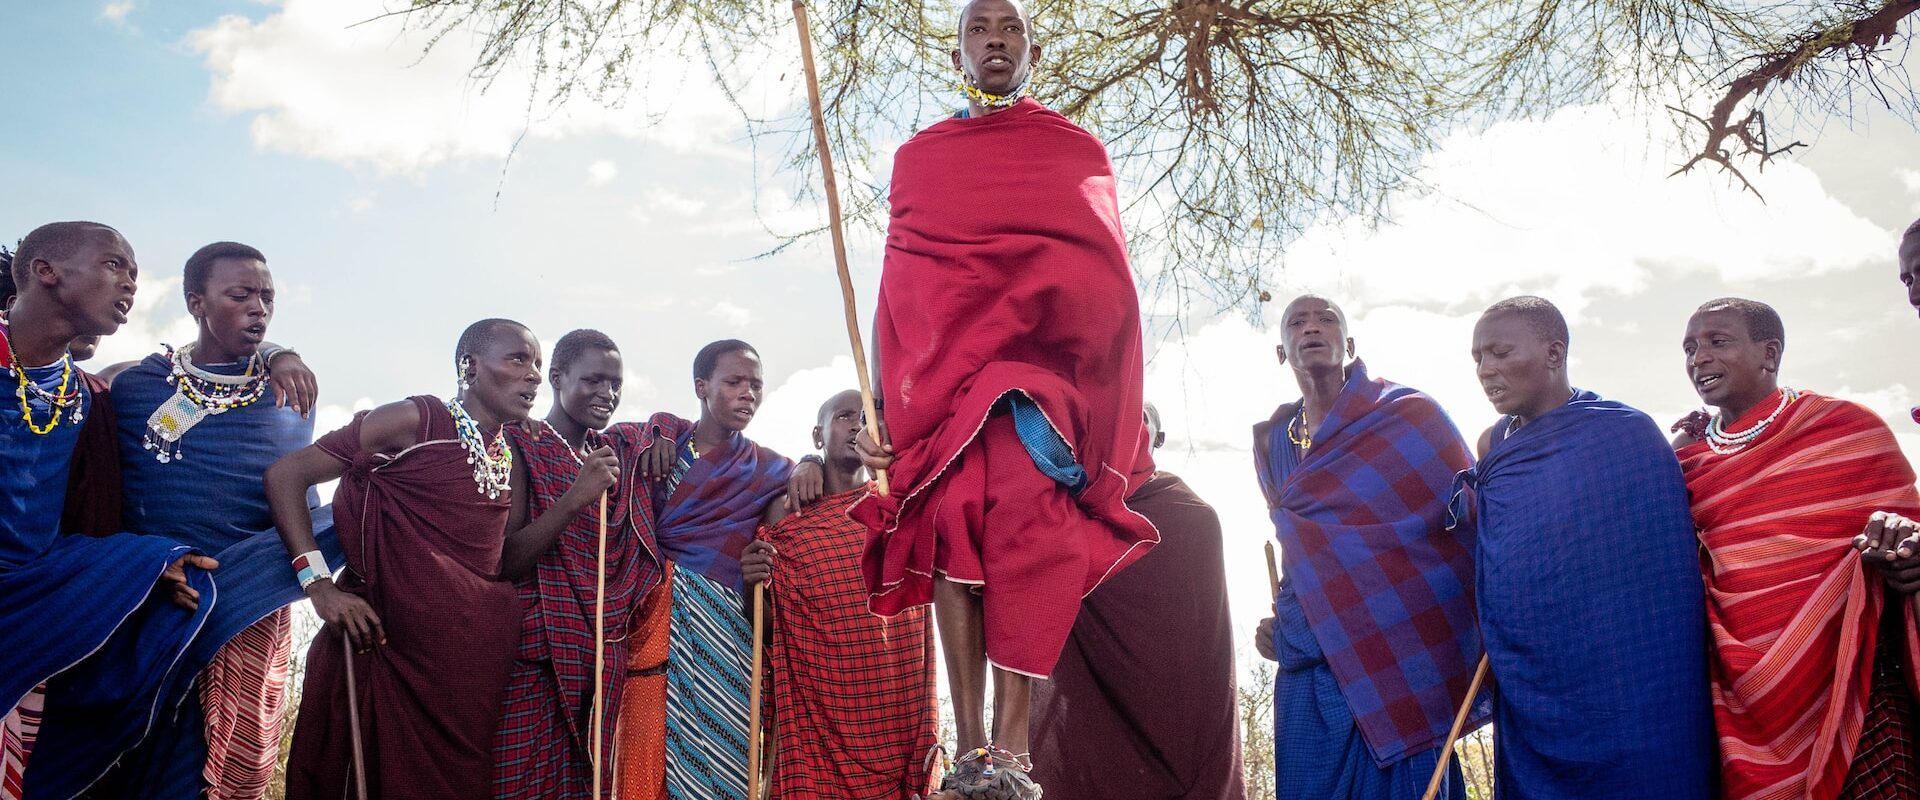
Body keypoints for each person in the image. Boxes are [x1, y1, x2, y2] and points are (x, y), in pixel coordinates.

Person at [850, 1, 1159, 794]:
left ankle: (1012, 748)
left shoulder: (1072, 150)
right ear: (958, 55)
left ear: (1033, 49)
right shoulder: (922, 158)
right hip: (950, 392)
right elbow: (905, 293)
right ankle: (965, 746)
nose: (996, 39)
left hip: (1043, 392)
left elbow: (1104, 288)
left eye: (1011, 28)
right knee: (952, 527)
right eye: (979, 29)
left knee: (1031, 531)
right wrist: (890, 406)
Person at [71, 241, 332, 800]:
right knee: (128, 768)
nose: (259, 308)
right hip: (148, 609)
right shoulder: (134, 386)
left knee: (219, 778)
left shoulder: (291, 394)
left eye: (267, 297)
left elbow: (300, 500)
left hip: (246, 614)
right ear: (196, 302)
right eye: (240, 295)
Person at [273, 318, 543, 799]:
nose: (534, 375)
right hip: (382, 650)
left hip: (463, 672)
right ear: (471, 366)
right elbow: (287, 476)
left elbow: (500, 563)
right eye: (518, 359)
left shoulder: (508, 455)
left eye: (538, 364)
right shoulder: (417, 419)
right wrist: (320, 587)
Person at [1457, 296, 1713, 798]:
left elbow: (1662, 568)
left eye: (1501, 353)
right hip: (1530, 674)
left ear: (1554, 353)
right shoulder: (1494, 445)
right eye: (1478, 359)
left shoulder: (1625, 434)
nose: (1487, 370)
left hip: (1630, 672)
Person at [1, 221, 221, 799]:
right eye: (113, 266)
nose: (129, 285)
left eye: (135, 275)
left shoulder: (80, 395)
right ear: (46, 271)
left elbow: (54, 531)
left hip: (22, 614)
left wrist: (146, 564)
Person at [1673, 297, 1920, 800]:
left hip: (1854, 681)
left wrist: (1902, 554)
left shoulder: (1845, 427)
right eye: (1690, 348)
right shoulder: (1687, 459)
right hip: (1743, 703)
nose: (1699, 358)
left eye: (1717, 343)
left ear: (1770, 353)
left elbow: (1909, 535)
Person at [1246, 295, 1482, 800]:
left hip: (1399, 651)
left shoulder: (1408, 416)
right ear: (1281, 351)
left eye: (1326, 319)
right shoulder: (1275, 445)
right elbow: (1306, 554)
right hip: (1309, 659)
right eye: (1296, 323)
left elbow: (1469, 526)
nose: (1311, 328)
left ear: (1349, 344)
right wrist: (1287, 623)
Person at [1029, 401, 1245, 800]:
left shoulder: (1192, 518)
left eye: (1140, 420)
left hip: (1179, 731)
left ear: (1156, 438)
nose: (1127, 428)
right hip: (1093, 728)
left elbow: (1206, 656)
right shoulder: (1067, 514)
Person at [618, 339, 792, 800]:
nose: (747, 394)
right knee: (644, 757)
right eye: (734, 382)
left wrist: (812, 461)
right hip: (656, 627)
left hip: (729, 635)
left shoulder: (769, 468)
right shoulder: (658, 451)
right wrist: (657, 430)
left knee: (725, 763)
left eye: (755, 385)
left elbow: (813, 487)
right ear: (702, 386)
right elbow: (614, 446)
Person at [749, 389, 939, 799]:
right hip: (820, 714)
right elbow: (770, 623)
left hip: (896, 700)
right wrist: (753, 583)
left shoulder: (896, 503)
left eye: (867, 417)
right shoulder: (787, 513)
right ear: (817, 436)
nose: (858, 425)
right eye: (844, 416)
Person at [489, 329, 634, 800]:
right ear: (556, 378)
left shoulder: (608, 456)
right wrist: (576, 497)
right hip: (533, 660)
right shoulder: (518, 442)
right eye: (592, 380)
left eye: (615, 384)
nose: (606, 394)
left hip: (595, 665)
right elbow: (504, 558)